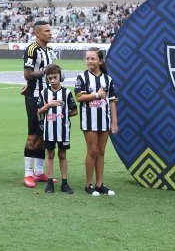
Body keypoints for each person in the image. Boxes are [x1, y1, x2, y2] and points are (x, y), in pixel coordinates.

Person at [74, 48, 119, 196]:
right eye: (87, 58)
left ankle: (100, 184)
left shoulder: (108, 79)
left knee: (101, 151)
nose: (89, 61)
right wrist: (97, 95)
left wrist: (114, 122)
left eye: (92, 58)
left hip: (104, 121)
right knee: (92, 151)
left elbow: (112, 101)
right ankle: (89, 184)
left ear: (100, 61)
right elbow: (79, 98)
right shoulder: (81, 77)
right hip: (89, 121)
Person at [22, 19, 54, 187]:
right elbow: (27, 74)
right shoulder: (32, 50)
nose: (50, 33)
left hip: (48, 96)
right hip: (35, 97)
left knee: (43, 135)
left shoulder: (49, 50)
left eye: (50, 30)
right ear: (37, 33)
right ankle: (28, 174)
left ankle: (39, 172)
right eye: (46, 31)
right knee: (33, 134)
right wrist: (45, 71)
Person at [38, 63, 76, 194]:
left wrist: (63, 115)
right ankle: (49, 183)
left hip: (63, 130)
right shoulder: (44, 93)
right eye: (50, 78)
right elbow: (39, 111)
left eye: (55, 77)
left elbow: (74, 111)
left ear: (61, 77)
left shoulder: (66, 92)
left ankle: (64, 183)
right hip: (48, 131)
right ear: (47, 79)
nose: (53, 80)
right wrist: (48, 106)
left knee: (62, 155)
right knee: (50, 154)